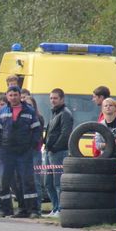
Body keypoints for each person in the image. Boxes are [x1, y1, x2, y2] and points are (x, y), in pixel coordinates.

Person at [0, 86, 41, 218]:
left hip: (24, 152)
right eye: (10, 95)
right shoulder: (2, 111)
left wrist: (32, 145)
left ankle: (31, 210)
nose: (13, 97)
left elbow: (37, 130)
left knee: (26, 181)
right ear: (7, 97)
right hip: (6, 152)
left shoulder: (29, 111)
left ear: (20, 96)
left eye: (15, 95)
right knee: (4, 181)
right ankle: (5, 209)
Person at [43, 88, 73, 217]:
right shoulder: (54, 113)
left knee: (57, 182)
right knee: (48, 182)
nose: (52, 101)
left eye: (55, 98)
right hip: (50, 152)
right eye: (51, 98)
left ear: (62, 99)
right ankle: (55, 208)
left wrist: (55, 147)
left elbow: (65, 133)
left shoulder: (65, 113)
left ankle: (61, 209)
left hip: (59, 152)